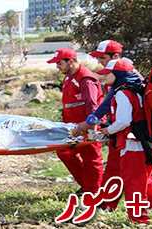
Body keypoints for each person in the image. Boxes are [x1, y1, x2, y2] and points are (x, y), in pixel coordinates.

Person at [98, 59, 152, 224]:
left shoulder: (122, 92)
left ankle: (139, 220)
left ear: (118, 74)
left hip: (133, 145)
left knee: (133, 184)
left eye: (108, 73)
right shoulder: (138, 89)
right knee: (148, 183)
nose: (105, 76)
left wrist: (109, 130)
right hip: (146, 143)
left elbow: (124, 121)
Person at [47, 48, 104, 195]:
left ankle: (93, 191)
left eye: (59, 63)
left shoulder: (85, 79)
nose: (57, 67)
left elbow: (93, 106)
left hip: (86, 126)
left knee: (91, 159)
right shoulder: (68, 77)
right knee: (64, 152)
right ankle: (87, 185)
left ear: (70, 61)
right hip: (72, 127)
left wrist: (91, 128)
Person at [0, 114, 78, 150]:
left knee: (34, 135)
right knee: (36, 134)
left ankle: (71, 132)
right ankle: (69, 133)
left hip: (0, 133)